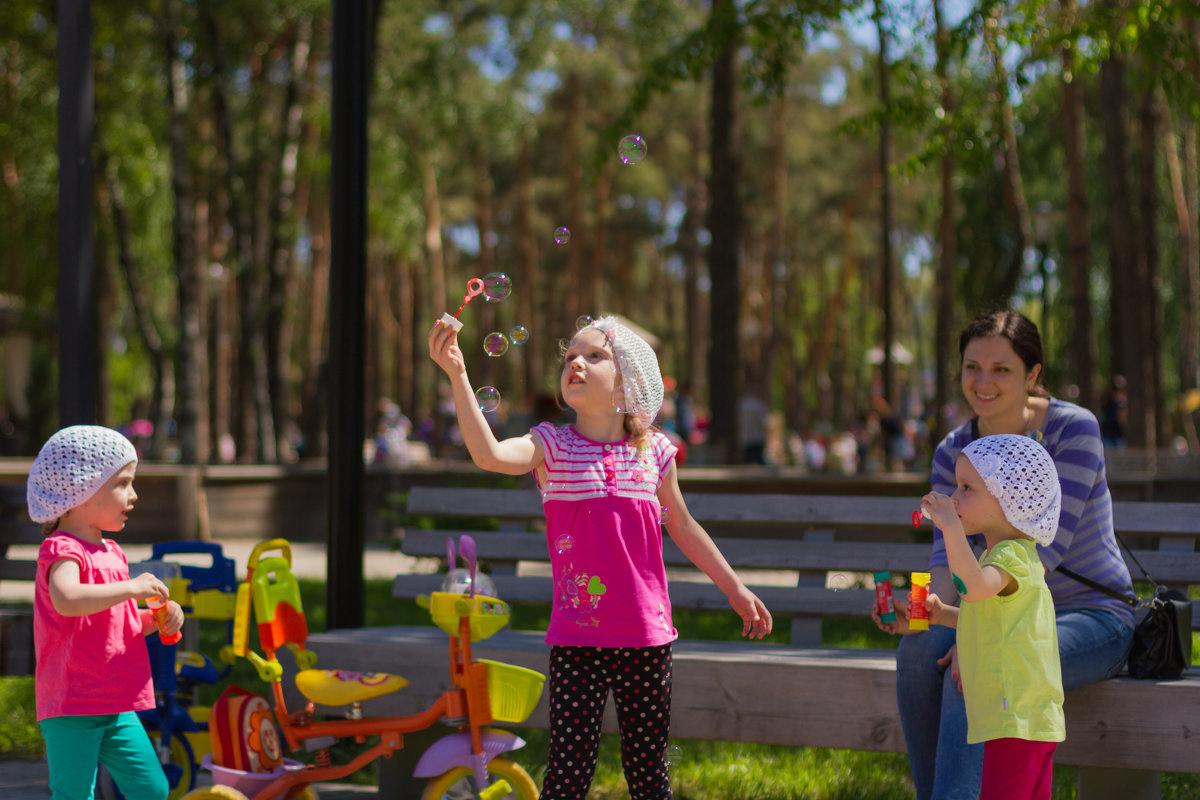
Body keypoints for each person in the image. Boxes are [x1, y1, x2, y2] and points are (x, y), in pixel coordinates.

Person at [429, 314, 772, 800]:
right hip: (577, 641)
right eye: (570, 358)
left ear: (626, 380)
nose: (577, 364)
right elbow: (488, 455)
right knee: (567, 778)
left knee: (650, 777)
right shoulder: (549, 445)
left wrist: (735, 588)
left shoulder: (653, 451)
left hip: (647, 640)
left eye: (595, 356)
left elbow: (684, 525)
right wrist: (458, 375)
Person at [875, 310, 1134, 800]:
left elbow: (1044, 550)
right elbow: (942, 558)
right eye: (972, 367)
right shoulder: (954, 449)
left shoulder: (1072, 431)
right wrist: (917, 612)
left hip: (1092, 617)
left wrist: (976, 635)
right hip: (990, 605)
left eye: (1001, 368)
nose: (983, 381)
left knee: (976, 671)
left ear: (1033, 375)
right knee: (917, 652)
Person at [26, 425, 184, 800]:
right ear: (83, 489)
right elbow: (67, 599)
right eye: (123, 483)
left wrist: (156, 618)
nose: (133, 494)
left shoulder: (112, 551)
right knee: (74, 794)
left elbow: (115, 621)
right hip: (73, 702)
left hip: (116, 702)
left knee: (152, 789)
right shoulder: (62, 549)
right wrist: (132, 587)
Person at [919, 434, 1065, 800]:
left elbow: (971, 588)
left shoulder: (1010, 557)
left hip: (1014, 718)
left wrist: (950, 527)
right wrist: (940, 615)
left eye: (967, 488)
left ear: (1007, 500)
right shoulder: (1006, 559)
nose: (954, 497)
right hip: (1029, 720)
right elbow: (986, 617)